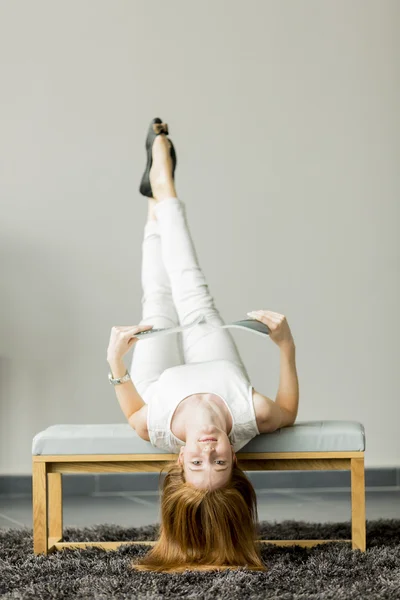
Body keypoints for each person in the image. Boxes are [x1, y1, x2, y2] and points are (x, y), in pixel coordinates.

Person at [106, 118, 299, 572]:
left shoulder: (153, 425)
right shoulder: (251, 415)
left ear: (179, 459)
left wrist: (115, 360)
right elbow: (288, 413)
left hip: (160, 384)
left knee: (156, 302)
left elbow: (130, 403)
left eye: (198, 461)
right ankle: (162, 186)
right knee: (191, 290)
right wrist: (285, 347)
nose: (209, 448)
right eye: (220, 461)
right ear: (236, 459)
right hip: (219, 373)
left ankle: (157, 201)